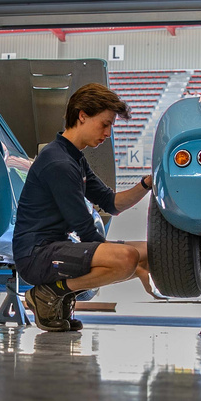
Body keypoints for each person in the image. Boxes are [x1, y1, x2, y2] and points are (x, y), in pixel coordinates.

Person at [14, 83, 154, 332]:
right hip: (36, 255)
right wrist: (120, 263)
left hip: (57, 248)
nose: (108, 133)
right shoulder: (58, 162)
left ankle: (62, 292)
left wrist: (148, 183)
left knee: (153, 253)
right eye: (105, 124)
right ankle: (50, 293)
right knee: (128, 258)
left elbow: (112, 203)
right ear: (82, 115)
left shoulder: (73, 157)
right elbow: (84, 227)